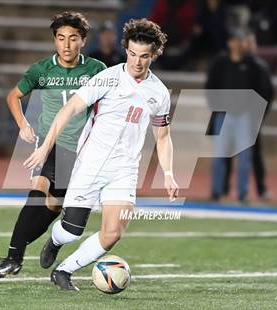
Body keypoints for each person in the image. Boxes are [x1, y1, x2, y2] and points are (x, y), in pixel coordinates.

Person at [24, 18, 179, 291]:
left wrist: (168, 174)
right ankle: (56, 240)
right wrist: (46, 146)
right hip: (91, 163)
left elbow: (163, 137)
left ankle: (64, 271)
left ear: (154, 54)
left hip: (125, 169)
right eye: (132, 54)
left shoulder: (159, 94)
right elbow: (68, 110)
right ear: (126, 50)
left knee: (112, 233)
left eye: (144, 56)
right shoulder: (108, 77)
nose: (137, 62)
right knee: (72, 230)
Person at [0, 12, 106, 277]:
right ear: (54, 40)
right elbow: (14, 95)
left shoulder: (97, 70)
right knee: (37, 193)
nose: (66, 45)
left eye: (73, 39)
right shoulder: (41, 69)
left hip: (80, 150)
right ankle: (13, 257)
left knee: (54, 207)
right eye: (61, 38)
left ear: (83, 41)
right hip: (49, 142)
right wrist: (23, 124)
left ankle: (50, 244)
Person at [207, 29, 271, 203]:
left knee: (244, 159)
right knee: (219, 156)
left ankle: (242, 193)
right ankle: (216, 192)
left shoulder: (253, 65)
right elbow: (210, 87)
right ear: (229, 43)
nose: (237, 44)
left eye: (240, 40)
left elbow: (262, 92)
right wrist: (217, 108)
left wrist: (254, 115)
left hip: (245, 118)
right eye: (234, 40)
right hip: (223, 116)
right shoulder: (220, 63)